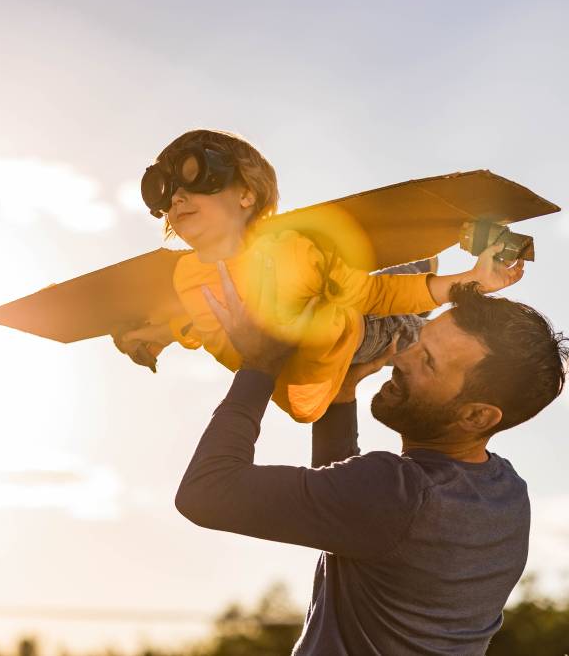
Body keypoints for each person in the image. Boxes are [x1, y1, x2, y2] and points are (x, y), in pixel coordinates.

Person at [174, 257, 568, 654]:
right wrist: (341, 393)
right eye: (418, 341)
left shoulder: (398, 494)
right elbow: (350, 511)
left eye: (427, 362)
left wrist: (258, 366)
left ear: (477, 415)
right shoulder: (507, 495)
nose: (400, 357)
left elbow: (205, 492)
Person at [115, 129, 525, 423]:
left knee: (396, 296)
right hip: (348, 347)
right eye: (166, 194)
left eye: (193, 179)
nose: (178, 199)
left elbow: (375, 294)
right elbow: (220, 341)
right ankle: (428, 270)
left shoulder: (291, 250)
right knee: (413, 335)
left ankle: (436, 263)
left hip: (351, 315)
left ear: (246, 194)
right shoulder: (188, 277)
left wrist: (472, 280)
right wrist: (174, 335)